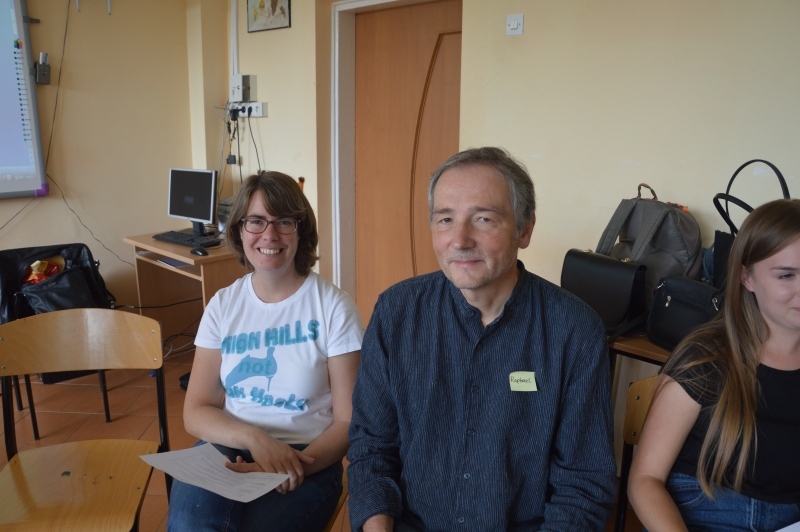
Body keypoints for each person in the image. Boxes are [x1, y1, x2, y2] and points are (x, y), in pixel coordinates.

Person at [346, 147, 616, 531]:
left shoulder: (574, 331)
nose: (459, 240)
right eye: (445, 219)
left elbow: (583, 484)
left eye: (484, 219)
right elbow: (372, 448)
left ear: (524, 229)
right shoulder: (396, 313)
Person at [168, 171, 363, 532]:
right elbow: (196, 410)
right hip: (229, 443)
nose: (269, 235)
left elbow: (348, 422)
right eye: (256, 221)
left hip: (307, 456)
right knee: (190, 524)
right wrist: (255, 440)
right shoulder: (223, 305)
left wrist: (289, 464)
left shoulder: (334, 307)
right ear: (239, 230)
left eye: (284, 221)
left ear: (301, 230)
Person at [628, 199, 800, 531]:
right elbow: (645, 480)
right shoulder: (706, 358)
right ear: (747, 277)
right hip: (702, 514)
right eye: (786, 275)